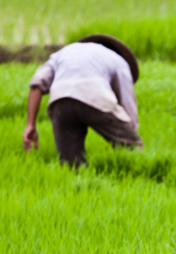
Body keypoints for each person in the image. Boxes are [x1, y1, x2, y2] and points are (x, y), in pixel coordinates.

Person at [23, 34, 142, 167]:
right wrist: (130, 133)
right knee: (132, 147)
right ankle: (135, 178)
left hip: (60, 101)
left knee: (71, 165)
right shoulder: (119, 61)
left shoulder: (63, 53)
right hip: (95, 96)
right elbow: (127, 103)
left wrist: (30, 125)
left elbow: (37, 84)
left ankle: (78, 185)